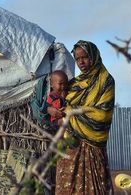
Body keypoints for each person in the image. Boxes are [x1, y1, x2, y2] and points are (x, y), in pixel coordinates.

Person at [48, 40, 115, 195]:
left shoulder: (105, 81)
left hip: (92, 147)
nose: (81, 62)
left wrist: (71, 111)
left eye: (85, 57)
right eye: (77, 59)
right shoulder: (73, 84)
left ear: (94, 56)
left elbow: (103, 114)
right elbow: (55, 102)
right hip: (69, 146)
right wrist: (52, 109)